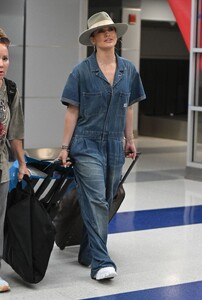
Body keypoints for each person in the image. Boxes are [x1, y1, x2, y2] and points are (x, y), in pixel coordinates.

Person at [58, 11, 146, 281]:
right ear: (93, 39)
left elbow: (128, 107)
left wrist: (129, 140)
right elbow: (72, 111)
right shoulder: (81, 71)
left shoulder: (128, 70)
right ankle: (100, 261)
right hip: (85, 143)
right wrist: (64, 147)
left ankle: (87, 251)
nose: (108, 33)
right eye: (102, 31)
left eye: (111, 29)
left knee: (106, 199)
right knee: (96, 198)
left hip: (113, 145)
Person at [0, 28, 30, 292]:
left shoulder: (10, 90)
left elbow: (15, 133)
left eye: (5, 58)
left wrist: (21, 163)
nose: (1, 64)